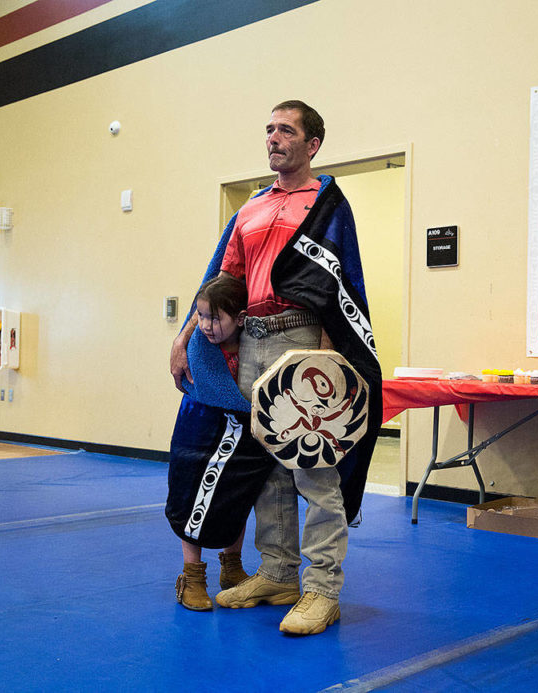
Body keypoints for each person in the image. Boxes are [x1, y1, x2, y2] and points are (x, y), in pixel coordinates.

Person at [170, 100, 382, 636]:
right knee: (264, 467)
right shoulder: (250, 209)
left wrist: (331, 356)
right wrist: (185, 337)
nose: (273, 138)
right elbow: (221, 282)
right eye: (268, 129)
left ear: (312, 145)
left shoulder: (328, 203)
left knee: (314, 467)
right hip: (253, 342)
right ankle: (280, 573)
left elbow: (339, 286)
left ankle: (322, 589)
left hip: (305, 338)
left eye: (285, 130)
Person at [166, 274, 263, 611]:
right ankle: (192, 576)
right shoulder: (201, 346)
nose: (206, 325)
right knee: (189, 495)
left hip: (241, 433)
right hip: (200, 426)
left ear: (240, 319)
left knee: (236, 494)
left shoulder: (254, 344)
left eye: (214, 318)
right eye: (202, 316)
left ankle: (231, 567)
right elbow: (204, 385)